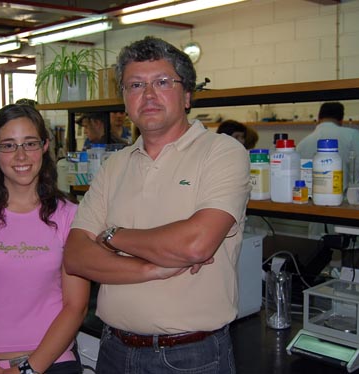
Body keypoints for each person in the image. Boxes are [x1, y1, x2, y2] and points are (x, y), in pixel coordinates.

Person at [64, 36, 251, 374]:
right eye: (135, 85)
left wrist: (112, 236)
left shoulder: (222, 152)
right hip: (114, 351)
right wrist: (152, 268)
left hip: (192, 356)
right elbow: (76, 256)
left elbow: (195, 244)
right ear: (125, 99)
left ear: (187, 95)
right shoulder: (114, 165)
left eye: (162, 82)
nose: (148, 95)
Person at [0, 104, 89, 374]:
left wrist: (27, 370)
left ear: (45, 146)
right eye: (9, 145)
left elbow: (76, 306)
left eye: (30, 143)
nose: (21, 156)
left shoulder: (71, 217)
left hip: (52, 364)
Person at [296, 101, 359, 189]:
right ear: (341, 120)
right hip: (346, 200)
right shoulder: (352, 135)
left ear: (318, 118)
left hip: (310, 199)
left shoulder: (302, 144)